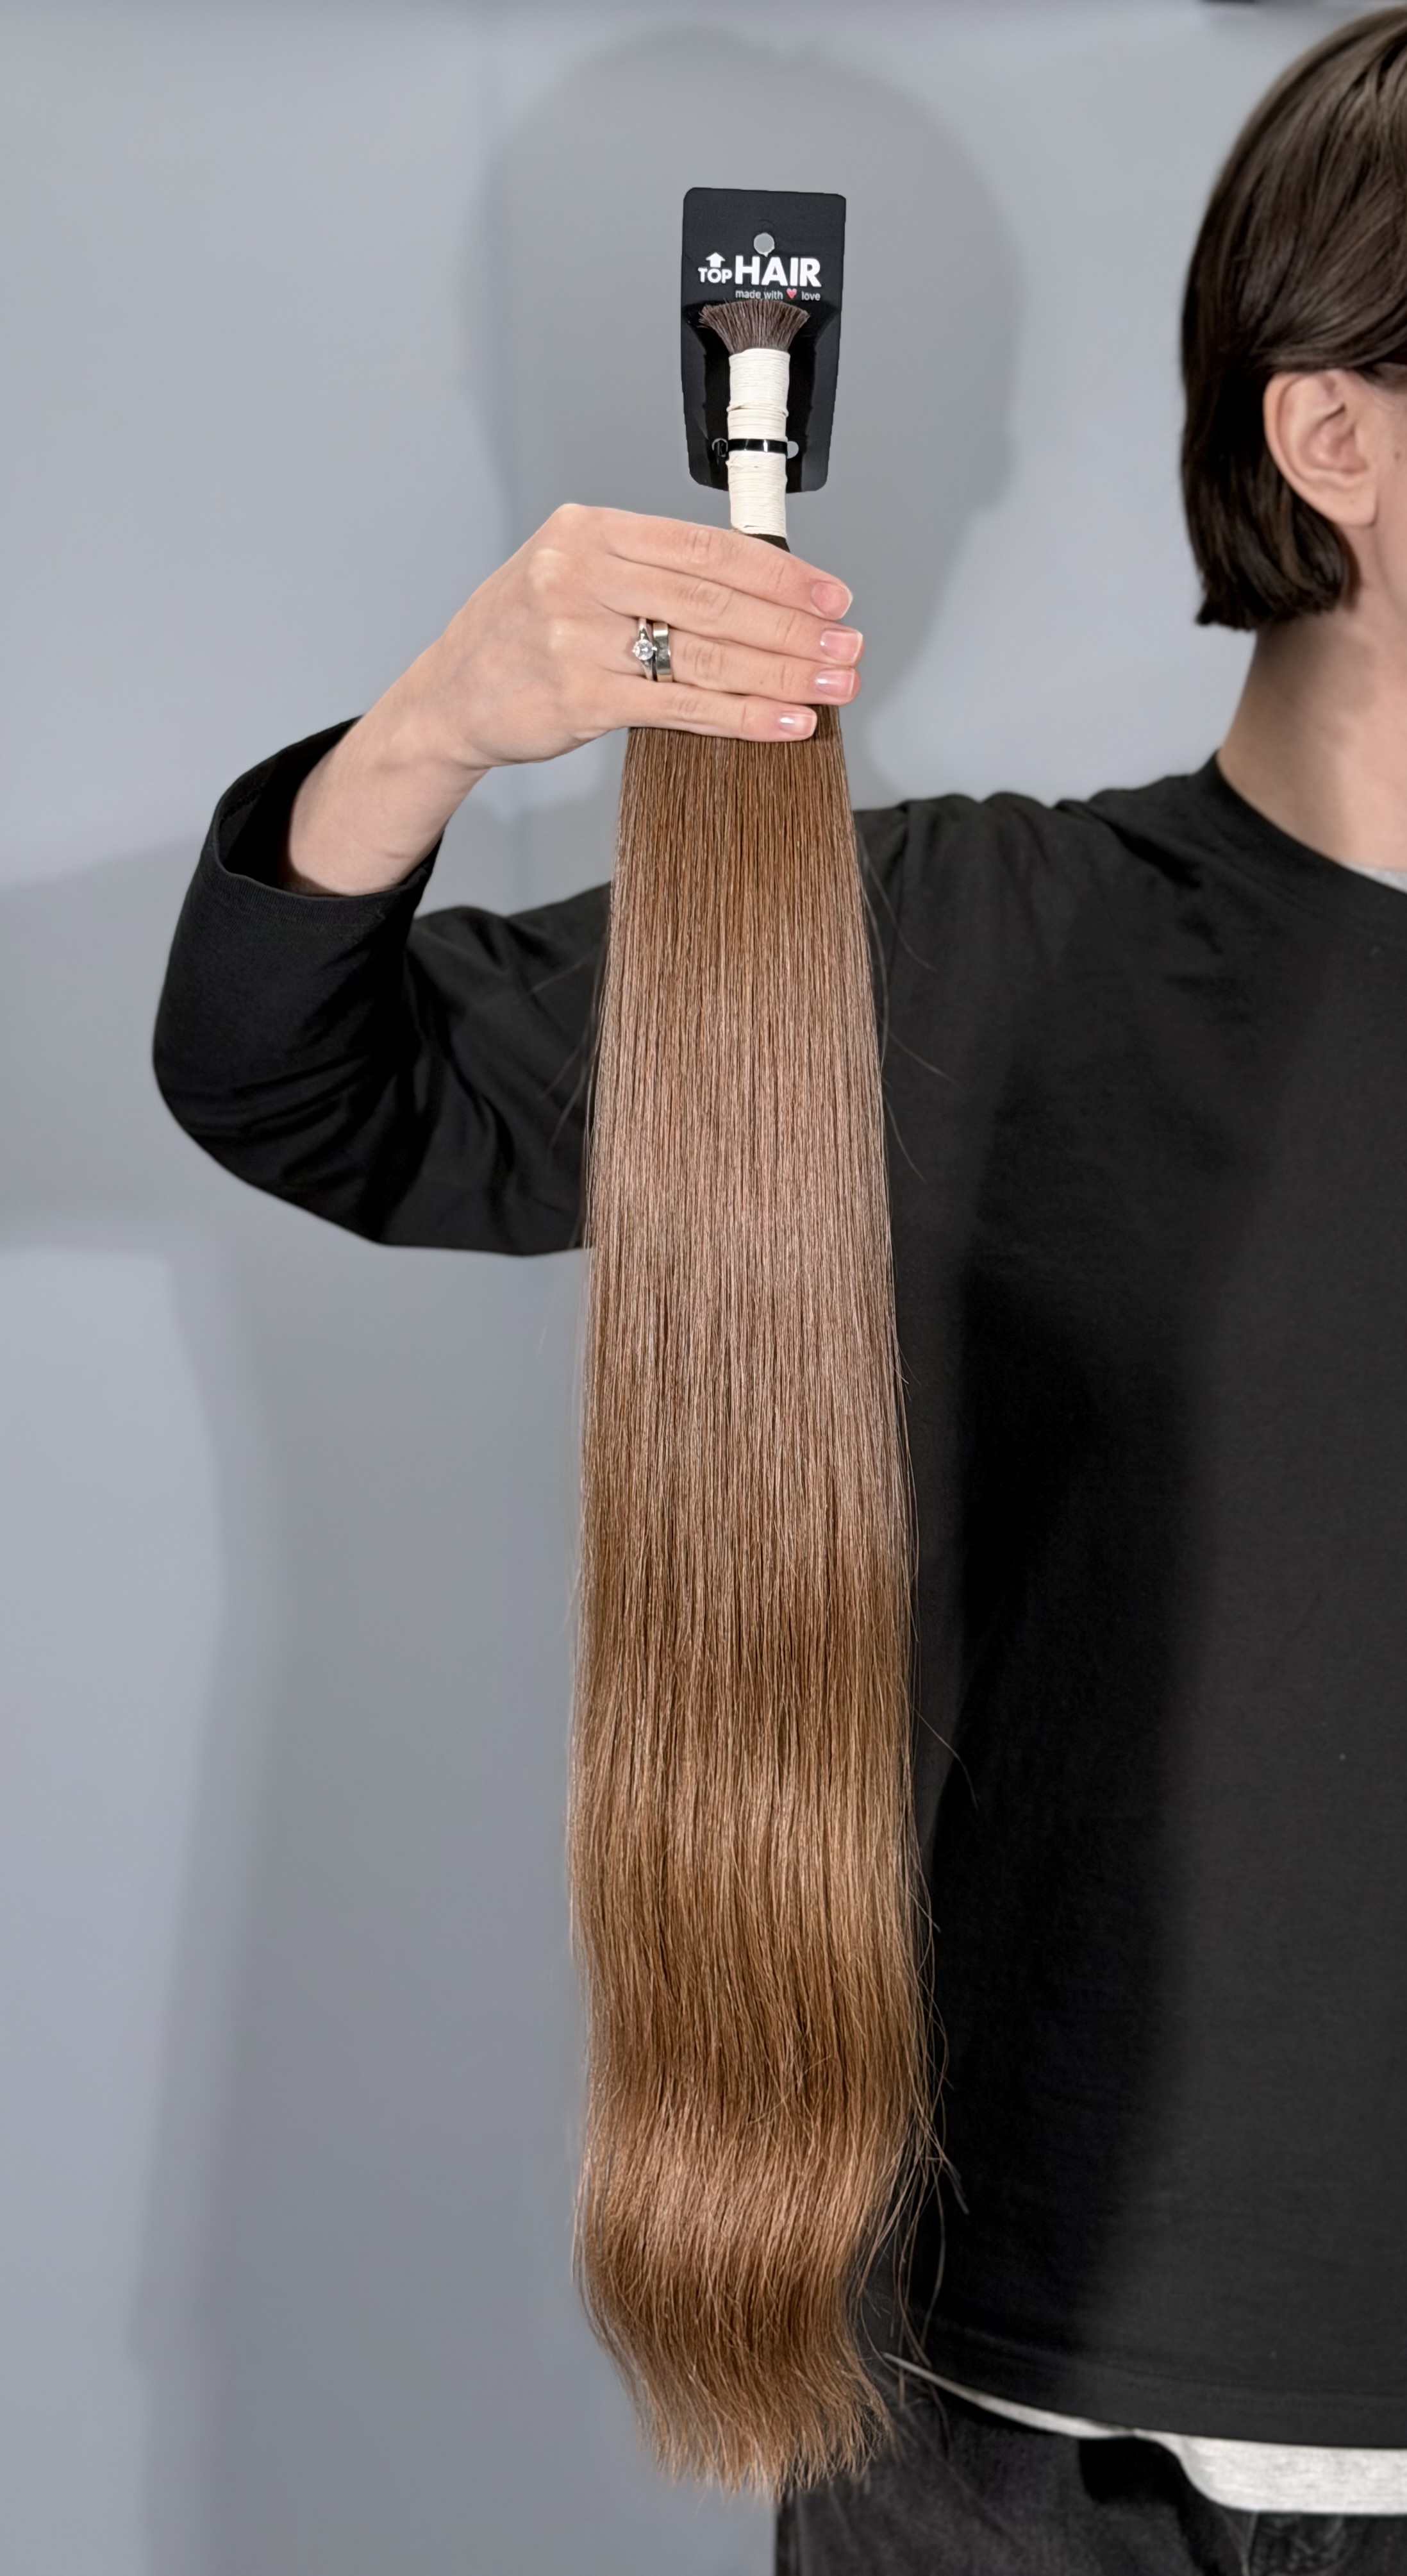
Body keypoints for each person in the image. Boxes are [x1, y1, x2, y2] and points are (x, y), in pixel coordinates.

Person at [154, 16, 1407, 2575]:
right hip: (1009, 2451)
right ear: (1336, 439)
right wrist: (434, 730)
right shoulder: (946, 953)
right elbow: (322, 1084)